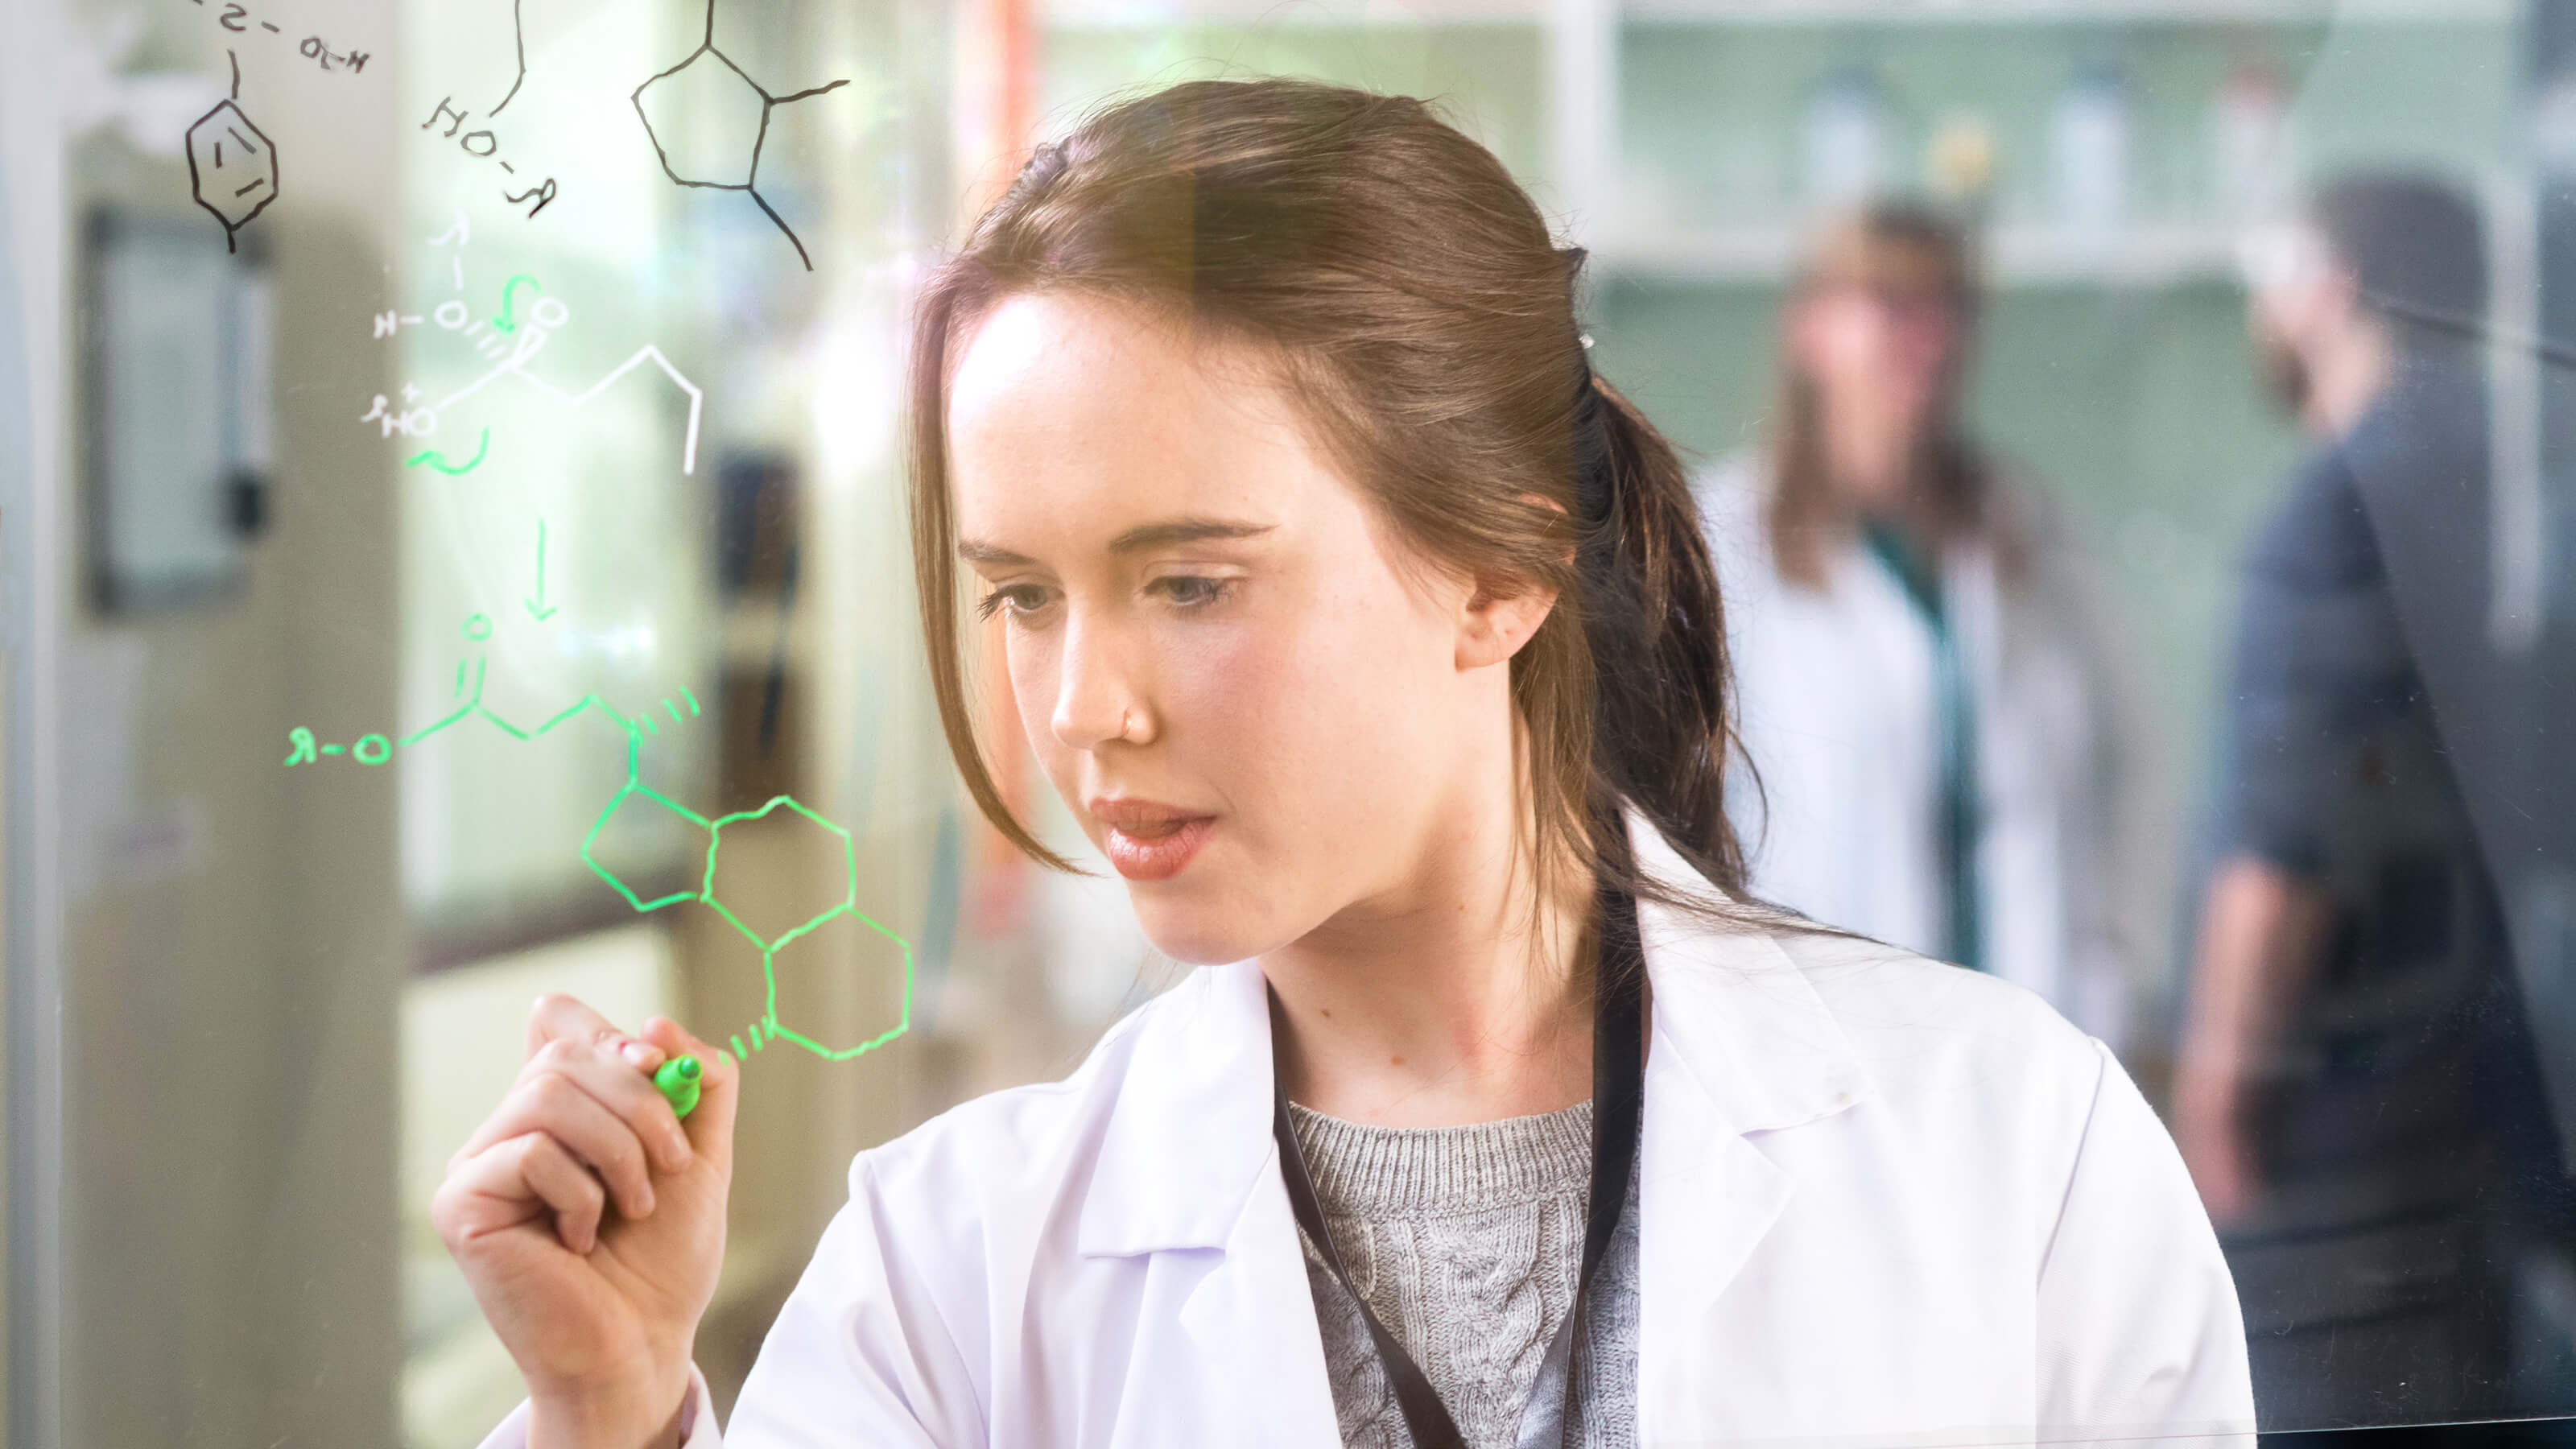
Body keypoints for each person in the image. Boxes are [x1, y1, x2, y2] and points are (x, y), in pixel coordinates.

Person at [434, 80, 2252, 1449]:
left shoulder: (2011, 1147)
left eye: (1192, 581)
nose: (1085, 707)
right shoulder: (958, 1265)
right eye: (1019, 595)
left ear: (1503, 566)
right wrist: (615, 1409)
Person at [2174, 173, 2568, 1428]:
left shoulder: (2341, 510)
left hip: (2344, 1148)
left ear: (2330, 284)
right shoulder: (2517, 485)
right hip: (2498, 1120)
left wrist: (2218, 1111)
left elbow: (2286, 848)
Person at [1695, 204, 2153, 1046]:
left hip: (2030, 1039)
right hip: (1812, 1049)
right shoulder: (1721, 548)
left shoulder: (2035, 535)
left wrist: (2115, 968)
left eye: (1948, 306)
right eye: (1891, 302)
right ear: (1809, 329)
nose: (1928, 336)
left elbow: (2122, 771)